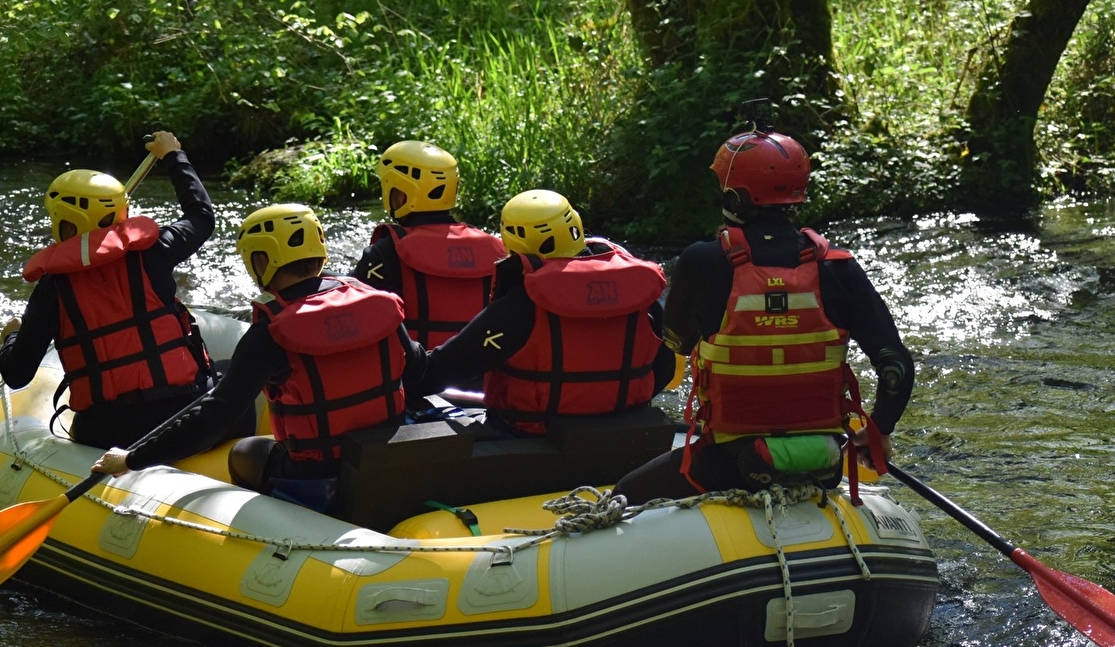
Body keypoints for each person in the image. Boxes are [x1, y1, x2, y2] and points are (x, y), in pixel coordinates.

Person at [613, 125, 915, 504]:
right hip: (821, 466)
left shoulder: (702, 261)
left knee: (624, 493)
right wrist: (879, 429)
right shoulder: (838, 268)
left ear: (736, 196)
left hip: (725, 464)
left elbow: (676, 341)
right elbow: (895, 364)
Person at [93, 203, 427, 512]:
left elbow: (215, 418)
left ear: (263, 261)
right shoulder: (379, 304)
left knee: (244, 453)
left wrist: (133, 458)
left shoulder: (271, 332)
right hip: (381, 461)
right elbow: (415, 373)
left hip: (317, 478)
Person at [0, 131, 215, 449]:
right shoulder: (154, 251)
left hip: (106, 433)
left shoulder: (52, 288)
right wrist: (173, 155)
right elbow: (201, 216)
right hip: (180, 415)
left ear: (62, 221)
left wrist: (11, 338)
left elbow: (17, 375)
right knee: (228, 378)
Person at [414, 189, 676, 436]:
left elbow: (447, 367)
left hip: (534, 437)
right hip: (626, 429)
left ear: (514, 244)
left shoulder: (525, 302)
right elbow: (665, 368)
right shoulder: (637, 292)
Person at [352, 140, 507, 350]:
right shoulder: (497, 249)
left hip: (417, 376)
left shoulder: (386, 252)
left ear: (401, 191)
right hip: (483, 375)